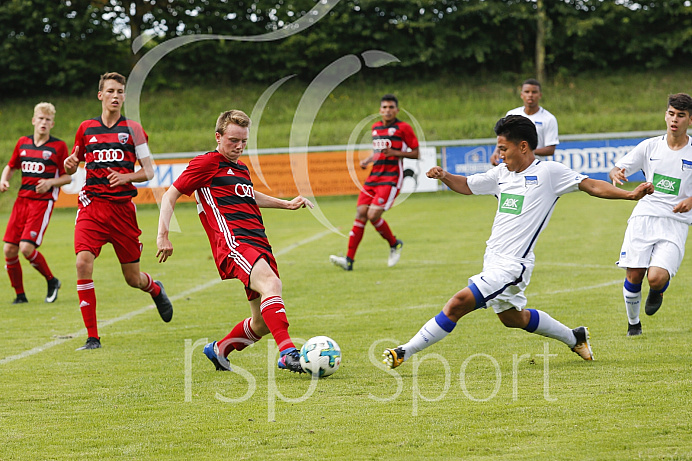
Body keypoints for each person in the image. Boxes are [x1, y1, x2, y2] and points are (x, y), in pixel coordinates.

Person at [382, 115, 654, 369]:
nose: (499, 154)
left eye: (503, 148)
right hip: (492, 260)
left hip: (514, 265)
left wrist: (628, 195)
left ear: (523, 146)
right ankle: (575, 337)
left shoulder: (549, 173)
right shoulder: (501, 174)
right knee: (512, 318)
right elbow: (466, 184)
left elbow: (591, 185)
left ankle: (404, 351)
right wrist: (445, 176)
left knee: (457, 303)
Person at [156, 110, 314, 374]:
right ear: (218, 137)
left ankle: (220, 350)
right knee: (272, 284)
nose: (239, 147)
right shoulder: (207, 163)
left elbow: (248, 194)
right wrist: (163, 235)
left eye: (243, 141)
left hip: (258, 242)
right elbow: (170, 195)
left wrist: (286, 204)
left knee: (261, 323)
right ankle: (288, 353)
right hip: (233, 242)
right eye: (233, 140)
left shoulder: (240, 168)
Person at [64, 72, 173, 351]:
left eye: (120, 92)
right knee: (82, 263)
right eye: (110, 91)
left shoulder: (134, 130)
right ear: (100, 95)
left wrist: (125, 178)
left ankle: (155, 289)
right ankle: (92, 337)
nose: (116, 96)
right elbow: (74, 161)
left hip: (123, 211)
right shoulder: (86, 128)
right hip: (92, 206)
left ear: (124, 96)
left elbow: (149, 170)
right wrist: (69, 164)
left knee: (132, 279)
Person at [609, 93, 692, 336]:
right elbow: (618, 167)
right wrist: (616, 174)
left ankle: (658, 290)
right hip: (644, 216)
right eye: (670, 114)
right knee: (634, 274)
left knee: (655, 278)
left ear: (690, 119)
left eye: (680, 115)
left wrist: (690, 201)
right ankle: (633, 324)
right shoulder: (650, 146)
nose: (674, 120)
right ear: (665, 115)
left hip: (675, 222)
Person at [329, 94, 419, 271]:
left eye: (391, 107)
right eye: (384, 107)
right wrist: (368, 160)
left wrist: (395, 152)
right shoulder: (376, 127)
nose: (387, 110)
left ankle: (394, 244)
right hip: (373, 177)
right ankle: (348, 260)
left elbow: (416, 153)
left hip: (391, 177)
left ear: (396, 110)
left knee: (373, 215)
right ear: (380, 110)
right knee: (361, 213)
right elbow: (378, 152)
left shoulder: (404, 128)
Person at [1, 102, 71, 304]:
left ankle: (52, 281)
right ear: (33, 120)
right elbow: (11, 166)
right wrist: (4, 179)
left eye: (48, 120)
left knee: (26, 248)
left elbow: (67, 178)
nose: (43, 123)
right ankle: (20, 296)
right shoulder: (23, 143)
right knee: (9, 250)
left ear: (52, 124)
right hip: (21, 201)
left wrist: (50, 182)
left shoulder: (58, 146)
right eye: (40, 118)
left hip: (42, 203)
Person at [490, 79, 559, 165]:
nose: (530, 95)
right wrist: (496, 152)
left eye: (534, 92)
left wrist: (524, 150)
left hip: (535, 166)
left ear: (540, 95)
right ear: (521, 95)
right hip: (512, 165)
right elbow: (503, 138)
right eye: (527, 92)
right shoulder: (512, 114)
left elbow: (550, 149)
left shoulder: (549, 118)